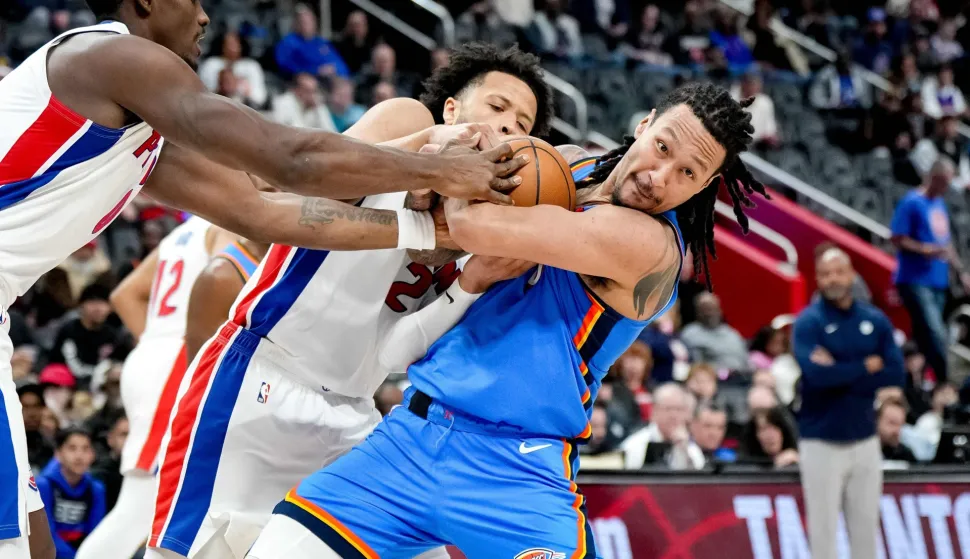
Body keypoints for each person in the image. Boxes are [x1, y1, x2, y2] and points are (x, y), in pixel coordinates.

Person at [0, 0, 526, 552]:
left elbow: (262, 210)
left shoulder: (139, 135)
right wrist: (437, 167)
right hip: (260, 376)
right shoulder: (112, 55)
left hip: (339, 397)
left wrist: (425, 231)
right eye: (193, 0)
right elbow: (288, 158)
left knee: (33, 541)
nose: (205, 16)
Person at [246, 82, 767, 558]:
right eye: (663, 147)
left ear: (706, 186)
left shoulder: (650, 247)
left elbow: (472, 224)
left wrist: (446, 170)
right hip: (413, 436)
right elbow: (438, 234)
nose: (660, 177)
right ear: (645, 123)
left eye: (688, 174)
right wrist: (431, 184)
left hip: (517, 470)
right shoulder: (569, 167)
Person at [147, 42, 554, 559]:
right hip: (262, 382)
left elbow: (392, 356)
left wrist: (468, 283)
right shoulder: (407, 119)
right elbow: (309, 180)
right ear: (451, 109)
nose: (507, 129)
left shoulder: (488, 230)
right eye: (497, 108)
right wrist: (424, 161)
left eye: (523, 124)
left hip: (355, 416)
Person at [74, 218, 242, 559]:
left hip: (155, 355)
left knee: (164, 497)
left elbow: (124, 295)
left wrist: (156, 341)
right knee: (141, 503)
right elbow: (232, 296)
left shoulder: (184, 231)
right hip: (178, 360)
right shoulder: (229, 223)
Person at [793, 246, 904, 559]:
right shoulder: (808, 322)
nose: (833, 279)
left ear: (851, 274)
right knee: (823, 535)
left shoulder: (875, 320)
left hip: (865, 440)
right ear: (818, 279)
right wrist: (864, 366)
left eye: (839, 271)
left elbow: (894, 374)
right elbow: (815, 377)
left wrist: (838, 368)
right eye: (826, 274)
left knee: (866, 534)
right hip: (820, 442)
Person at [892, 158, 970, 383]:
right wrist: (924, 249)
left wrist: (961, 271)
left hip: (938, 280)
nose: (946, 187)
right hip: (915, 279)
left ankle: (920, 384)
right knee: (936, 333)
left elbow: (947, 243)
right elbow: (897, 238)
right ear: (933, 178)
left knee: (923, 338)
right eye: (944, 182)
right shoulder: (912, 202)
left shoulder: (939, 204)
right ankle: (948, 383)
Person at [36, 428, 106, 559]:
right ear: (58, 453)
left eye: (85, 449)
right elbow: (46, 534)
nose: (79, 456)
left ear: (93, 455)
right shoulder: (44, 485)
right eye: (72, 448)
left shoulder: (96, 489)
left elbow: (95, 533)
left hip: (83, 552)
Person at [680, 292, 749, 373]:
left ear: (719, 310)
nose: (710, 313)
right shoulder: (690, 334)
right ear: (698, 312)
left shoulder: (732, 334)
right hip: (712, 380)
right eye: (705, 309)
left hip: (742, 378)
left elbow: (745, 359)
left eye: (712, 308)